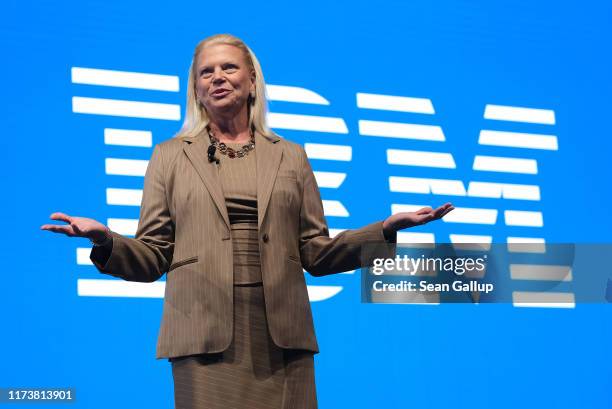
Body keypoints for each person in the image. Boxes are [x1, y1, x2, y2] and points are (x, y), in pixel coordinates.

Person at [41, 34, 454, 409]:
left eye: (229, 67)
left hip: (282, 337)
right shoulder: (169, 155)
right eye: (207, 72)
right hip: (203, 333)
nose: (218, 77)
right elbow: (153, 256)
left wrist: (383, 231)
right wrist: (105, 241)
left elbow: (315, 251)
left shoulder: (291, 155)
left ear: (252, 81)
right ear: (197, 90)